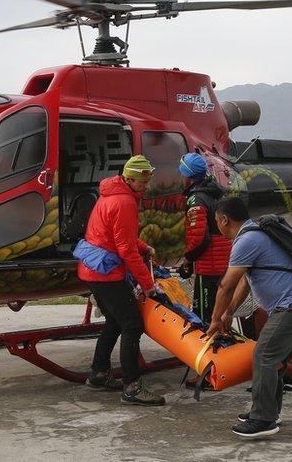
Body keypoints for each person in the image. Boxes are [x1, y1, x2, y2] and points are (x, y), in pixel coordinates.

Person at [205, 197, 292, 438]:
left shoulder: (246, 240)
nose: (217, 226)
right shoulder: (255, 235)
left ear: (224, 219)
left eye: (217, 221)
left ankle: (263, 419)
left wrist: (215, 319)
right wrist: (228, 313)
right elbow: (246, 281)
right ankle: (269, 411)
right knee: (274, 359)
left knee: (264, 355)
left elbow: (226, 285)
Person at [75, 155, 166, 406]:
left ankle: (100, 374)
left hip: (91, 268)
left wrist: (144, 246)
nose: (146, 186)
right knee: (132, 324)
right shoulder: (125, 202)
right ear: (128, 179)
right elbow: (125, 249)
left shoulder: (109, 195)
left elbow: (117, 236)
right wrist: (148, 285)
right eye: (142, 182)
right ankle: (132, 387)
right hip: (106, 272)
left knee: (115, 322)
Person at [178, 153, 232, 323]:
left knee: (203, 317)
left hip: (209, 267)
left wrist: (187, 259)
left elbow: (200, 237)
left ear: (189, 177)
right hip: (224, 262)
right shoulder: (216, 192)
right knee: (219, 313)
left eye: (182, 173)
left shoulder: (196, 199)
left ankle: (209, 347)